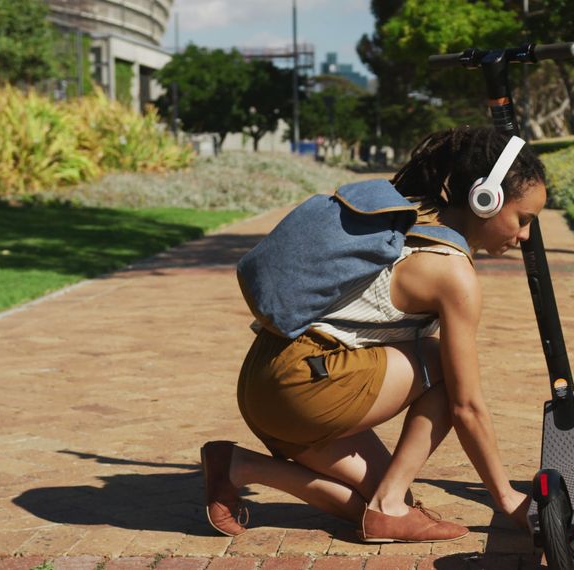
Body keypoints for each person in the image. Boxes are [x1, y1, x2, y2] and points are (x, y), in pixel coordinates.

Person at [200, 125, 548, 544]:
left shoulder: (412, 212)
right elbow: (466, 406)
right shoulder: (452, 274)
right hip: (300, 389)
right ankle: (388, 505)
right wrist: (506, 497)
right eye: (523, 219)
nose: (525, 235)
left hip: (265, 379)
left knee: (379, 504)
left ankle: (238, 466)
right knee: (443, 367)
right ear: (485, 200)